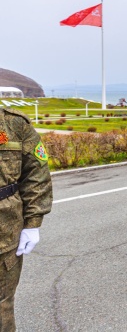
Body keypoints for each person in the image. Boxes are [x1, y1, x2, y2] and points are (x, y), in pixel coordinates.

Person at [0, 107, 53, 331]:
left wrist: (33, 223)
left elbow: (36, 173)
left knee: (1, 304)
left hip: (5, 234)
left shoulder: (15, 124)